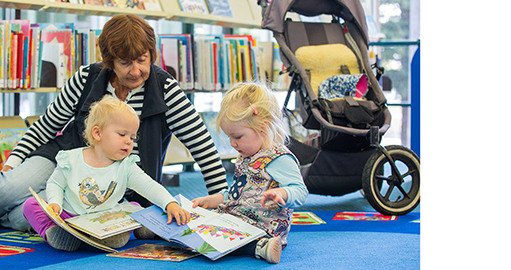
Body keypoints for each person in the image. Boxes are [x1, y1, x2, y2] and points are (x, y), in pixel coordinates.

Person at [0, 14, 227, 232]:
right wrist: (13, 162)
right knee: (6, 191)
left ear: (152, 55)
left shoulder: (166, 90)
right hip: (63, 159)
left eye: (142, 60)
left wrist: (222, 199)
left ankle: (21, 210)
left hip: (109, 186)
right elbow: (44, 128)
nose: (136, 70)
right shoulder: (86, 78)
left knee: (27, 216)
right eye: (125, 62)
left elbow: (202, 147)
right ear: (110, 61)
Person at [23, 96, 191, 251]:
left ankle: (140, 229)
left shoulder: (126, 165)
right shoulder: (71, 159)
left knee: (134, 207)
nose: (129, 141)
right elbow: (55, 184)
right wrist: (55, 204)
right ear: (98, 133)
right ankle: (54, 232)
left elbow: (149, 186)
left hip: (107, 218)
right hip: (70, 216)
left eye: (132, 137)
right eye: (122, 134)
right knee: (30, 205)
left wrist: (170, 203)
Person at [191, 82, 308, 264]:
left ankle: (262, 248)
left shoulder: (279, 158)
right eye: (229, 137)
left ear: (263, 128)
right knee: (200, 229)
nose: (232, 143)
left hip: (263, 229)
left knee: (212, 241)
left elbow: (301, 192)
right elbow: (236, 195)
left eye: (237, 137)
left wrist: (282, 193)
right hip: (237, 221)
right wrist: (210, 200)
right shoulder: (246, 156)